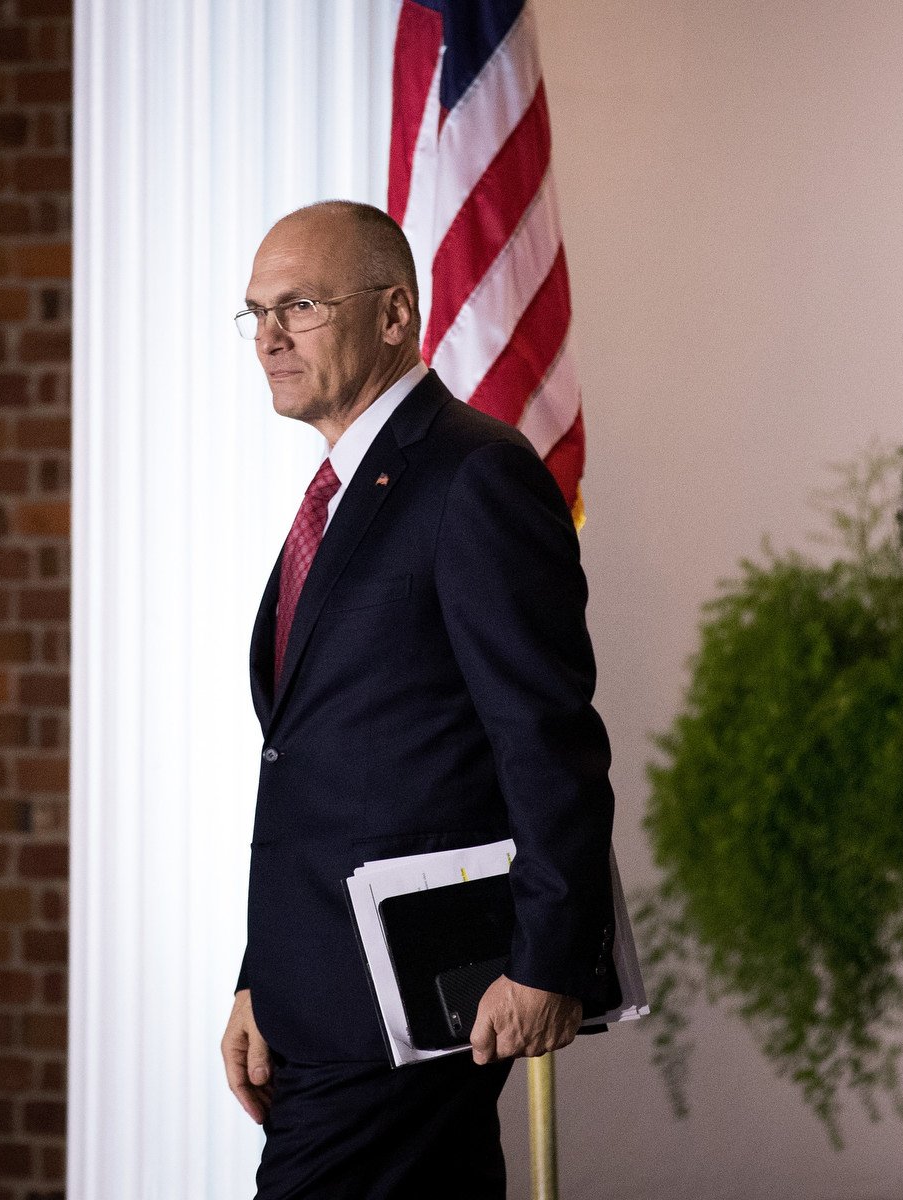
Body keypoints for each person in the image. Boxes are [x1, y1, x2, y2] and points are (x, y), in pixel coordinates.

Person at [219, 200, 616, 1198]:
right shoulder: (341, 497)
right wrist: (260, 974)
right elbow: (317, 768)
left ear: (396, 314)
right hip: (319, 1003)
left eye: (299, 305)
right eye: (256, 311)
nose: (268, 337)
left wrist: (548, 961)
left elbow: (546, 735)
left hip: (418, 1007)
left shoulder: (474, 476)